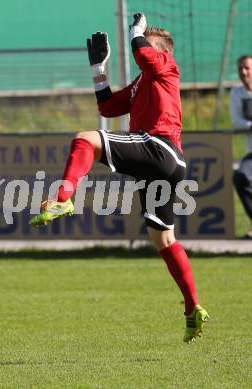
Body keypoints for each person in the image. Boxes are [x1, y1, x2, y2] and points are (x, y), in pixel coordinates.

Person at [30, 13, 209, 343]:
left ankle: (63, 198)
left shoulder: (165, 65)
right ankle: (192, 308)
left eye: (149, 46)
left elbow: (146, 56)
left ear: (163, 52)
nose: (142, 49)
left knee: (85, 139)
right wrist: (99, 70)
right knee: (163, 240)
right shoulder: (145, 80)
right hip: (163, 164)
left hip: (159, 147)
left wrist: (136, 33)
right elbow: (109, 108)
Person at [230, 55, 252, 238]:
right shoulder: (236, 93)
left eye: (247, 68)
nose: (243, 72)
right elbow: (236, 122)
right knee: (240, 177)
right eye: (240, 69)